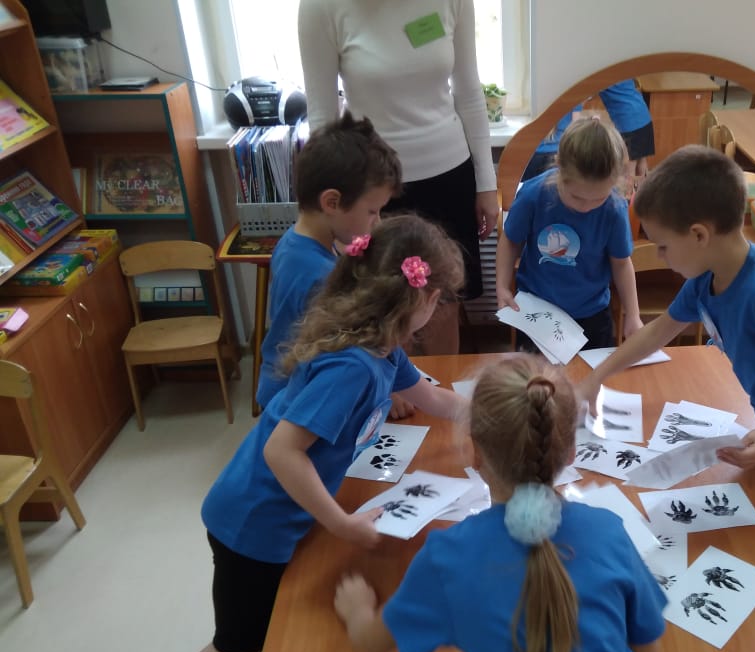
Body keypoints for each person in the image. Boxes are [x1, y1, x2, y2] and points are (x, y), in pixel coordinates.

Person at [111, 215, 468, 652]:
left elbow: (432, 398)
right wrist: (340, 522)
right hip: (252, 525)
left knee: (287, 618)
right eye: (439, 297)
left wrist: (492, 409)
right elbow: (283, 452)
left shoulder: (381, 347)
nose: (439, 306)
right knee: (235, 647)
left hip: (283, 514)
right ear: (417, 299)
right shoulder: (353, 368)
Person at [334, 353, 674, 652]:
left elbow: (372, 643)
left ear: (475, 452)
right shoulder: (607, 530)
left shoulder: (448, 559)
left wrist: (356, 610)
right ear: (570, 451)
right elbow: (647, 648)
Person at [578, 146, 755, 557]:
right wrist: (597, 375)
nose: (659, 256)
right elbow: (659, 331)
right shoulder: (706, 278)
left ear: (699, 235)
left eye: (662, 246)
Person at [298, 0, 499, 356]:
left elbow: (470, 93)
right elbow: (322, 117)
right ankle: (394, 388)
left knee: (442, 304)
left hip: (450, 175)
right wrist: (332, 211)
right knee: (385, 308)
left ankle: (441, 389)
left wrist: (486, 183)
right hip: (373, 188)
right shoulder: (321, 7)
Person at [256, 109, 402, 410]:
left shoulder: (297, 242)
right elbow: (346, 350)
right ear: (332, 202)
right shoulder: (316, 273)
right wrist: (390, 391)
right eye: (372, 211)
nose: (377, 222)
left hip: (289, 385)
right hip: (295, 400)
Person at [496, 116, 643, 351]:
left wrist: (633, 315)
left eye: (598, 198)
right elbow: (511, 241)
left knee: (594, 372)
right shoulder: (533, 196)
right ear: (559, 168)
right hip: (538, 310)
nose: (586, 207)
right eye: (576, 197)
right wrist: (502, 286)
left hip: (592, 314)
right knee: (536, 374)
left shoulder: (614, 208)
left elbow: (621, 263)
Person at [521, 79, 655, 189]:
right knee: (639, 169)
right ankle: (637, 198)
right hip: (642, 120)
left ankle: (633, 202)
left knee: (629, 175)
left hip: (629, 124)